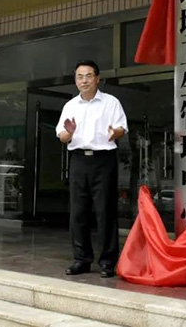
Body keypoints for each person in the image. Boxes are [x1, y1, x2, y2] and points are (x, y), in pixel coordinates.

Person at [56, 60, 128, 278]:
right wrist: (69, 133)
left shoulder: (110, 102)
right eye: (80, 76)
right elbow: (62, 136)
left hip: (103, 160)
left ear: (97, 78)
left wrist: (114, 133)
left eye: (88, 75)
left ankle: (107, 262)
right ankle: (81, 259)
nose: (84, 80)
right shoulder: (70, 106)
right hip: (79, 160)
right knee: (78, 212)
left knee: (105, 211)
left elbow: (122, 128)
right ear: (75, 80)